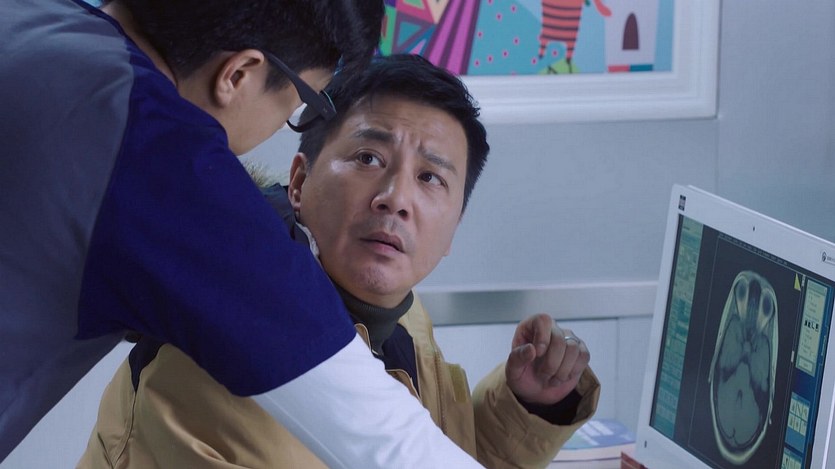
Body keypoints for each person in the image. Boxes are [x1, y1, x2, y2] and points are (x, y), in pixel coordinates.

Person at [0, 1, 484, 467]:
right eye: (302, 102)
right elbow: (393, 445)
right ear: (238, 75)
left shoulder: (27, 17)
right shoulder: (170, 170)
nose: (394, 199)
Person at [79, 54, 600, 468]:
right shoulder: (214, 349)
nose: (395, 198)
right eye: (368, 158)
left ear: (453, 230)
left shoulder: (400, 315)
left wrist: (527, 405)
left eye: (430, 177)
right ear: (299, 182)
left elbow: (432, 450)